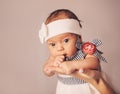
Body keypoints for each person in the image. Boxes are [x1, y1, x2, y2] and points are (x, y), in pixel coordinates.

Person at [39, 9, 107, 94]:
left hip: (87, 87)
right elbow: (47, 69)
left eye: (66, 40)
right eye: (53, 44)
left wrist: (73, 64)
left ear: (79, 38)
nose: (59, 48)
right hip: (64, 89)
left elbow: (94, 62)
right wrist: (49, 69)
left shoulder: (85, 48)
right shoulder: (55, 56)